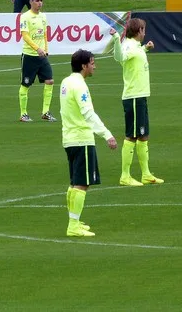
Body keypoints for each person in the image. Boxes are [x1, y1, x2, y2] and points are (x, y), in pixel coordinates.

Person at [60, 49, 118, 237]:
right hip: (81, 138)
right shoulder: (80, 86)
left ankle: (74, 221)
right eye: (92, 63)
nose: (95, 66)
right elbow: (88, 114)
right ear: (84, 66)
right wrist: (107, 134)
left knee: (74, 182)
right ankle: (73, 225)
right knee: (82, 184)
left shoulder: (66, 82)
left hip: (69, 138)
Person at [110, 19, 164, 186]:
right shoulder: (128, 45)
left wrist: (145, 49)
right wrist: (116, 39)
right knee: (132, 135)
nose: (144, 33)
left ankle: (146, 174)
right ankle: (125, 175)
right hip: (133, 96)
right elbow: (120, 58)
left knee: (143, 135)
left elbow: (134, 55)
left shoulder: (135, 46)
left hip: (140, 96)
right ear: (138, 30)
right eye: (143, 30)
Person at [18, 0, 56, 123]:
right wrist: (37, 48)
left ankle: (45, 112)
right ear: (31, 2)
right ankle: (23, 114)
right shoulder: (25, 17)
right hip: (29, 56)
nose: (40, 3)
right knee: (26, 84)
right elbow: (25, 36)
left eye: (41, 1)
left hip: (42, 56)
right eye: (37, 1)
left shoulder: (43, 17)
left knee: (50, 81)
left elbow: (45, 34)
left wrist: (45, 49)